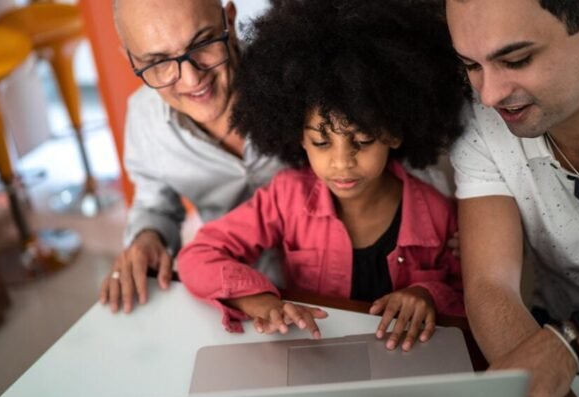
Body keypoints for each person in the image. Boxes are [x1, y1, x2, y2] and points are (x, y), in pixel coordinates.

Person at [178, 0, 468, 352]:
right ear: (298, 135)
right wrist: (259, 301)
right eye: (321, 141)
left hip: (406, 359)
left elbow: (472, 295)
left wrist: (428, 295)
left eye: (362, 140)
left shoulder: (440, 215)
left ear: (393, 133)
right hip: (316, 356)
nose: (341, 162)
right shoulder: (286, 199)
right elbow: (199, 256)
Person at [445, 0, 579, 397]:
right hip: (547, 336)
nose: (489, 96)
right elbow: (490, 286)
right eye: (471, 65)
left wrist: (578, 344)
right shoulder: (481, 120)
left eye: (516, 60)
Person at [100, 0, 285, 313]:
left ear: (229, 19)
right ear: (132, 59)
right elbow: (155, 205)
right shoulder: (145, 119)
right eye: (158, 61)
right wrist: (148, 238)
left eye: (202, 43)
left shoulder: (297, 73)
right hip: (243, 297)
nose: (191, 79)